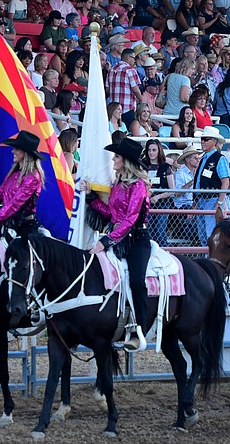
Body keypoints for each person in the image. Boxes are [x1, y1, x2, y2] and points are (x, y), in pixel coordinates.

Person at [80, 137, 153, 352]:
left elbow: (130, 219)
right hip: (119, 238)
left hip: (137, 241)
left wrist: (106, 241)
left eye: (117, 156)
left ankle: (141, 328)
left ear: (126, 161)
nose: (113, 159)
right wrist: (91, 197)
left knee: (137, 280)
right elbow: (113, 214)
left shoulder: (138, 186)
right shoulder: (118, 184)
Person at [193, 126, 230, 246]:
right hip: (202, 200)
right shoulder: (204, 158)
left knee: (210, 234)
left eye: (206, 139)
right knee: (203, 235)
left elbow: (225, 182)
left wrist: (219, 203)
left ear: (214, 141)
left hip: (212, 200)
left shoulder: (220, 158)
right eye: (202, 139)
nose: (202, 141)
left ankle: (210, 261)